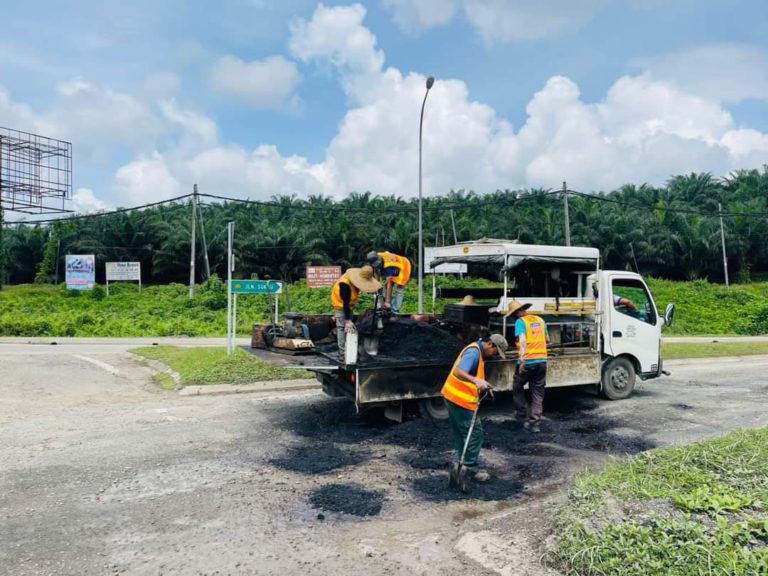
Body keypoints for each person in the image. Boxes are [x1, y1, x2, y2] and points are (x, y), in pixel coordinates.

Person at [441, 333, 509, 482]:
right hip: (460, 400)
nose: (494, 354)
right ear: (490, 344)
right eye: (495, 351)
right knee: (475, 433)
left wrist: (482, 386)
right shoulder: (474, 353)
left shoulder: (477, 352)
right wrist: (476, 380)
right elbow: (459, 371)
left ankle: (461, 465)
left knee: (462, 433)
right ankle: (469, 469)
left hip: (453, 397)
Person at [504, 300, 549, 433]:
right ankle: (535, 423)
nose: (514, 318)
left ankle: (521, 414)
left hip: (528, 361)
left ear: (517, 312)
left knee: (517, 386)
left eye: (513, 315)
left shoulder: (520, 322)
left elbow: (522, 340)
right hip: (542, 361)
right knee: (537, 391)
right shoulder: (540, 320)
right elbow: (547, 339)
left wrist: (522, 360)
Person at [330, 265, 382, 353]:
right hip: (341, 306)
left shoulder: (355, 280)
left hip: (349, 306)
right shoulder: (345, 284)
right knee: (342, 328)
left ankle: (349, 348)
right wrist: (347, 320)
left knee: (349, 328)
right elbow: (345, 303)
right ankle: (342, 352)